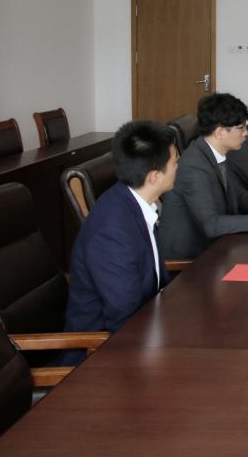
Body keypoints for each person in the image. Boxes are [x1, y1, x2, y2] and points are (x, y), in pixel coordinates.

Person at [65, 120, 177, 334]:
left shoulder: (134, 202)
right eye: (175, 163)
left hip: (147, 325)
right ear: (154, 176)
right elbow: (124, 319)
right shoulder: (112, 232)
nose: (178, 167)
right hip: (104, 346)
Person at [157, 93, 248, 260]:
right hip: (190, 257)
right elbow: (211, 225)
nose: (246, 133)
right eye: (241, 128)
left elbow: (236, 193)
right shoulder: (194, 166)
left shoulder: (217, 153)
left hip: (217, 244)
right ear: (220, 132)